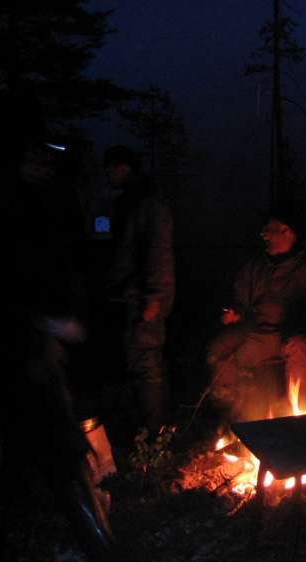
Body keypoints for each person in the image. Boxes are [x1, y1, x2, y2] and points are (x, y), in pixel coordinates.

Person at [0, 98, 115, 562]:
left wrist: (66, 318)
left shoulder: (42, 202)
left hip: (37, 349)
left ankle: (99, 549)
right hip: (11, 349)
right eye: (35, 154)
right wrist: (44, 321)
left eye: (48, 154)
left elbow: (62, 265)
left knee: (57, 449)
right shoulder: (1, 207)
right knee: (39, 450)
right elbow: (4, 283)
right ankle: (91, 550)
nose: (44, 162)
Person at [206, 209, 306, 423]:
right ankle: (231, 424)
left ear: (286, 231)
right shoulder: (255, 268)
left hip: (291, 336)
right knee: (219, 349)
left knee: (300, 349)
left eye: (268, 229)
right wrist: (236, 314)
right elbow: (241, 303)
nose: (263, 234)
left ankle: (300, 421)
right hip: (257, 336)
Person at [103, 145, 175, 434]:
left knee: (147, 363)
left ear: (126, 168)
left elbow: (158, 251)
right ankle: (144, 430)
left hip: (143, 297)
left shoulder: (149, 203)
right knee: (136, 362)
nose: (107, 173)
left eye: (112, 167)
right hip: (130, 295)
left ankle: (156, 434)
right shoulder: (131, 202)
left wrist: (155, 297)